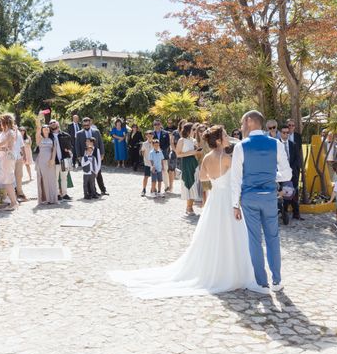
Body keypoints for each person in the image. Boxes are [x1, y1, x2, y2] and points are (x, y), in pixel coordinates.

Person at [109, 125, 257, 298]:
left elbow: (202, 178)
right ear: (218, 140)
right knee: (231, 232)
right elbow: (238, 178)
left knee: (214, 233)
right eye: (224, 135)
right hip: (226, 200)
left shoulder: (208, 157)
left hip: (215, 198)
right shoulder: (226, 158)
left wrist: (216, 180)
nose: (227, 137)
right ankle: (231, 270)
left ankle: (215, 266)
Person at [231, 110, 292, 293]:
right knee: (273, 238)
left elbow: (236, 179)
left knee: (254, 239)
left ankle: (261, 283)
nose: (241, 127)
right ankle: (277, 281)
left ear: (250, 121)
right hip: (269, 197)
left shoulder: (241, 146)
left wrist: (235, 204)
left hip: (249, 198)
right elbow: (288, 174)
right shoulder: (276, 144)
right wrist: (272, 176)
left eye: (242, 123)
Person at [75, 117, 107, 195]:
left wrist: (102, 153)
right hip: (85, 156)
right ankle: (92, 191)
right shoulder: (79, 133)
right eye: (84, 124)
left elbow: (100, 143)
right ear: (82, 124)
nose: (86, 125)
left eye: (87, 124)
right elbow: (77, 145)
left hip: (96, 155)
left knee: (98, 172)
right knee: (88, 174)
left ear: (90, 123)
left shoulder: (96, 131)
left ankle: (103, 190)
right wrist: (79, 156)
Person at [279, 124, 303, 221]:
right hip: (281, 174)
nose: (286, 134)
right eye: (284, 132)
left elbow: (297, 159)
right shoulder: (277, 144)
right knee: (283, 193)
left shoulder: (293, 144)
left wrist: (291, 169)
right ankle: (284, 214)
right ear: (280, 133)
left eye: (287, 133)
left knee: (294, 193)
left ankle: (296, 214)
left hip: (293, 173)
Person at [176, 122, 200, 215]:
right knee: (189, 183)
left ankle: (190, 206)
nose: (194, 131)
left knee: (194, 183)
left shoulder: (193, 140)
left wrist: (197, 151)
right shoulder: (181, 140)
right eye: (193, 129)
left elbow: (196, 152)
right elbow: (178, 154)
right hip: (186, 163)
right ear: (188, 130)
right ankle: (188, 207)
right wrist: (192, 152)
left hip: (194, 163)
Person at [0, 114, 18, 211]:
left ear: (5, 122)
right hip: (2, 157)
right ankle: (12, 201)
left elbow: (9, 148)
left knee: (8, 180)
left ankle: (14, 203)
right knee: (6, 180)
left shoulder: (10, 132)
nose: (0, 123)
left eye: (1, 121)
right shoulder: (3, 132)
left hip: (7, 157)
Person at [49, 119, 73, 201]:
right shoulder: (49, 136)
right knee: (55, 178)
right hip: (54, 161)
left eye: (54, 122)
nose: (52, 124)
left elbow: (70, 146)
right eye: (51, 123)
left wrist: (68, 149)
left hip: (64, 160)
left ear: (58, 123)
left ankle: (65, 194)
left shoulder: (65, 135)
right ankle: (57, 194)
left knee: (64, 178)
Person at [35, 123, 58, 205]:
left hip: (50, 160)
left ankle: (53, 198)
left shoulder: (52, 139)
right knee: (44, 178)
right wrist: (39, 119)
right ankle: (45, 199)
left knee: (52, 179)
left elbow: (54, 150)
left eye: (47, 128)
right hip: (41, 160)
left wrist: (52, 159)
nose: (46, 129)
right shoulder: (40, 138)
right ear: (42, 130)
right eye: (44, 128)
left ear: (49, 130)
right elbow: (37, 131)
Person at [152, 119, 171, 188]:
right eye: (155, 124)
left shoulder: (165, 133)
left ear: (161, 125)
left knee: (164, 170)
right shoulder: (151, 134)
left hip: (164, 155)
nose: (157, 126)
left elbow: (168, 144)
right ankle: (155, 187)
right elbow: (150, 143)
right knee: (155, 171)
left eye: (158, 124)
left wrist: (161, 149)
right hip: (155, 155)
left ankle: (166, 186)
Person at [13, 125, 26, 201]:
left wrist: (25, 155)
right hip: (9, 158)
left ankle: (20, 193)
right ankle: (12, 194)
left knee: (19, 175)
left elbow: (22, 145)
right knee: (12, 176)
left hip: (19, 157)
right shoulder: (7, 132)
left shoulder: (18, 132)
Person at [140, 130, 154, 196]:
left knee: (154, 177)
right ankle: (144, 189)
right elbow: (142, 152)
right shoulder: (144, 144)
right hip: (147, 163)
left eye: (151, 135)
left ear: (153, 136)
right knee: (146, 176)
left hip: (154, 164)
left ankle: (153, 189)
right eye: (148, 135)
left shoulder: (155, 143)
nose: (149, 137)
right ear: (146, 136)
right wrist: (145, 159)